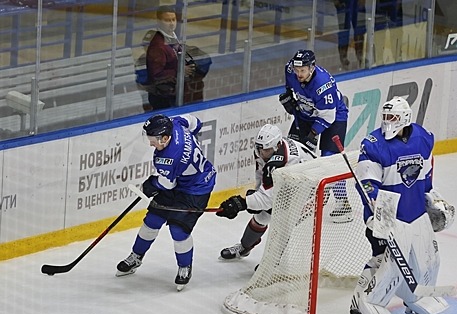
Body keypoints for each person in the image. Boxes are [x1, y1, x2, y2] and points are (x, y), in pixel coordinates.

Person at [348, 96, 455, 314]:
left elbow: (425, 175)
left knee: (431, 259)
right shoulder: (374, 144)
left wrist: (432, 199)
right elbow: (366, 183)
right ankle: (364, 304)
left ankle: (419, 296)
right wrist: (374, 208)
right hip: (387, 212)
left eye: (393, 117)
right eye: (385, 117)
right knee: (388, 263)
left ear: (405, 118)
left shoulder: (421, 138)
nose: (388, 121)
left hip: (416, 211)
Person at [116, 113, 217, 291]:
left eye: (153, 139)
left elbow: (166, 184)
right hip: (179, 180)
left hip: (196, 188)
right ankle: (136, 256)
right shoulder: (175, 123)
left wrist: (151, 184)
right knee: (152, 221)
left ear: (165, 137)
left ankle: (185, 267)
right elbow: (196, 122)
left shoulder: (169, 157)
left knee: (178, 230)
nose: (150, 143)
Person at [215, 123, 316, 260]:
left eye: (266, 150)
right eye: (259, 149)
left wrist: (243, 203)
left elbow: (268, 199)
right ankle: (244, 247)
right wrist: (256, 195)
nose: (261, 153)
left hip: (312, 191)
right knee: (261, 216)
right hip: (295, 183)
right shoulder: (265, 150)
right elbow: (261, 175)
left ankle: (272, 263)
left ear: (277, 146)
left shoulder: (285, 163)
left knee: (284, 222)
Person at [279, 49, 352, 222]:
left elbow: (328, 116)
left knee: (329, 160)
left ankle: (343, 203)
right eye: (297, 70)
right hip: (307, 114)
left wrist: (312, 134)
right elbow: (291, 88)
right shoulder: (291, 69)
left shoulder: (322, 85)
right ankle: (288, 199)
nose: (298, 74)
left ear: (312, 68)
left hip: (334, 117)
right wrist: (290, 100)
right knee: (291, 152)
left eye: (302, 71)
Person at [145, 5, 209, 110]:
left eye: (173, 19)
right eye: (167, 20)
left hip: (174, 92)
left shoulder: (172, 37)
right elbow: (156, 75)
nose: (171, 23)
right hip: (164, 97)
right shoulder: (157, 46)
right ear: (159, 21)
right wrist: (179, 71)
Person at [334, 0, 366, 70]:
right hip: (343, 3)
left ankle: (360, 57)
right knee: (344, 30)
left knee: (359, 28)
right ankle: (343, 58)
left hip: (357, 3)